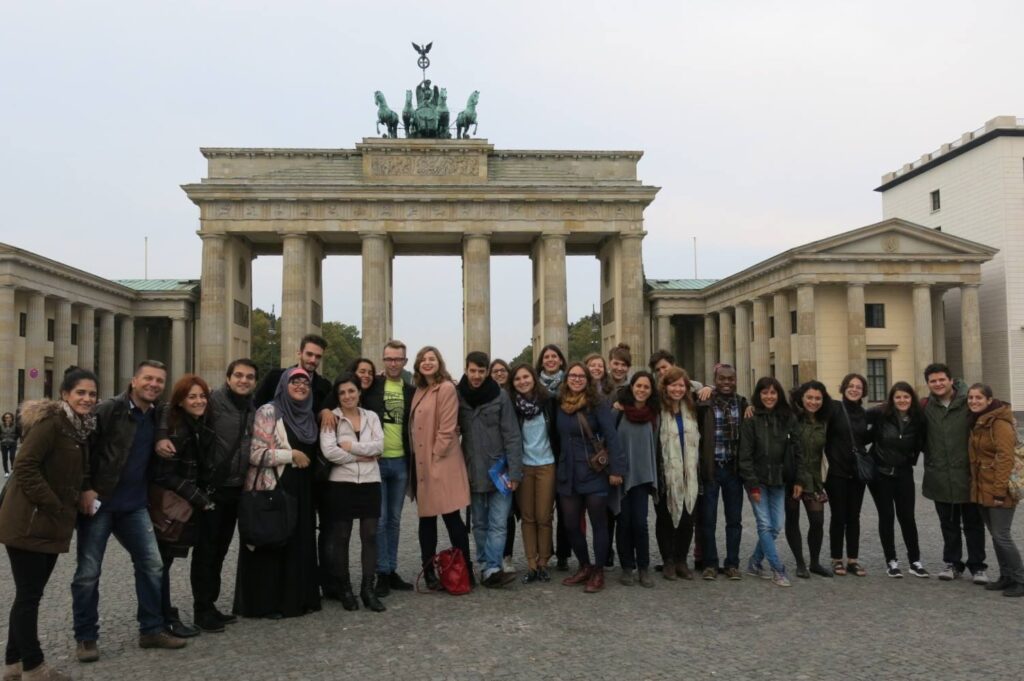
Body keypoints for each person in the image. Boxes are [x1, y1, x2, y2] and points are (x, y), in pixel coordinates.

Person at [72, 360, 186, 662]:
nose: (154, 384)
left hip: (135, 504)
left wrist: (163, 437)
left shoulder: (158, 413)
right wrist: (85, 487)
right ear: (133, 380)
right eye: (148, 378)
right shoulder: (109, 409)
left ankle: (151, 629)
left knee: (152, 565)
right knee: (88, 572)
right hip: (101, 503)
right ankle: (86, 637)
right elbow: (83, 446)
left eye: (160, 380)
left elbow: (169, 420)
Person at [0, 367, 97, 681]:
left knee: (30, 594)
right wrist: (55, 504)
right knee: (29, 596)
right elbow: (24, 466)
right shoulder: (51, 423)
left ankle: (13, 663)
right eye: (80, 392)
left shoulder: (78, 427)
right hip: (29, 521)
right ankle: (34, 666)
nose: (87, 398)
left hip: (47, 523)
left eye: (92, 394)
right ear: (65, 394)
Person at [234, 368, 321, 619]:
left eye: (305, 382)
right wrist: (290, 454)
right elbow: (254, 453)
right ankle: (266, 604)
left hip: (301, 489)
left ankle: (297, 600)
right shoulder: (269, 411)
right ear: (284, 384)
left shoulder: (309, 415)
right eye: (295, 380)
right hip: (274, 485)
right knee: (273, 543)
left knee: (296, 543)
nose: (301, 385)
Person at [188, 359, 256, 632]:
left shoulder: (252, 407)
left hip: (236, 489)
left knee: (221, 549)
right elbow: (180, 416)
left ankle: (210, 604)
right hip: (212, 489)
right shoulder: (212, 402)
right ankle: (201, 609)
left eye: (249, 377)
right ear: (228, 378)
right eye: (238, 375)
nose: (243, 380)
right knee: (206, 550)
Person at [151, 374, 219, 639]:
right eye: (192, 396)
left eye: (202, 396)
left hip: (182, 503)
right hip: (169, 507)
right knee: (160, 562)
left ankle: (161, 616)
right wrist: (201, 498)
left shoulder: (196, 423)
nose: (199, 400)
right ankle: (163, 618)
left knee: (162, 562)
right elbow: (165, 474)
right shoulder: (177, 429)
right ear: (180, 401)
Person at [555, 362, 625, 593]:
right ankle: (585, 565)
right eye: (572, 376)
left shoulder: (598, 404)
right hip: (568, 472)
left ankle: (599, 571)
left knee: (599, 524)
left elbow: (612, 437)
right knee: (571, 524)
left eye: (580, 376)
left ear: (587, 379)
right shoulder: (559, 404)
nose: (576, 379)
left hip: (593, 471)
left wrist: (616, 470)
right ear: (566, 379)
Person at [319, 373, 386, 612]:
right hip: (341, 483)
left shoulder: (372, 417)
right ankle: (345, 589)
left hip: (370, 482)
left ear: (359, 392)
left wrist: (351, 448)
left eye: (351, 391)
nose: (347, 396)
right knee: (341, 538)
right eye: (342, 392)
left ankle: (368, 589)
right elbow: (329, 452)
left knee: (369, 536)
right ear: (337, 397)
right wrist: (362, 455)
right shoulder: (332, 418)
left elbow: (380, 445)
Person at [408, 346, 473, 589]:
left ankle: (466, 570)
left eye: (431, 358)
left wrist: (434, 457)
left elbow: (447, 429)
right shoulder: (419, 390)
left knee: (451, 517)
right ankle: (429, 573)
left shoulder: (445, 388)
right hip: (423, 464)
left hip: (440, 462)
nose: (427, 362)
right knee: (426, 521)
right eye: (423, 359)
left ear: (439, 362)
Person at [458, 351, 523, 587]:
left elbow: (512, 435)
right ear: (466, 369)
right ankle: (486, 567)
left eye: (481, 371)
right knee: (479, 523)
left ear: (487, 372)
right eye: (472, 370)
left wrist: (515, 471)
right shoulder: (457, 395)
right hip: (472, 468)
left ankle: (493, 567)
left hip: (499, 470)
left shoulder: (501, 396)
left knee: (498, 521)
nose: (476, 376)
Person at [922, 363, 988, 583]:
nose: (938, 384)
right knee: (948, 524)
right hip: (939, 475)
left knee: (973, 524)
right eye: (933, 381)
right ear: (928, 384)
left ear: (951, 380)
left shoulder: (969, 403)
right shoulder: (926, 406)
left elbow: (993, 413)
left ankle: (978, 566)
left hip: (967, 475)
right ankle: (952, 563)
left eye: (942, 379)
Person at [739, 377, 801, 587]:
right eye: (764, 392)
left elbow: (797, 450)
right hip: (757, 480)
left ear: (779, 395)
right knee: (764, 524)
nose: (769, 396)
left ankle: (755, 562)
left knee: (776, 526)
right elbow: (745, 455)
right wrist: (752, 484)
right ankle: (778, 569)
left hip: (780, 479)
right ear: (758, 395)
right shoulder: (750, 418)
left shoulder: (788, 418)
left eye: (773, 392)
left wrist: (798, 479)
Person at [367, 341, 416, 597]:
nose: (394, 363)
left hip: (400, 461)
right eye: (389, 359)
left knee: (394, 521)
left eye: (398, 359)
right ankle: (381, 572)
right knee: (381, 519)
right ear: (383, 360)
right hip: (376, 461)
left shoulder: (411, 391)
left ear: (405, 362)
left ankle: (391, 568)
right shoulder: (371, 386)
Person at [966, 383, 1024, 597]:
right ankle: (1006, 576)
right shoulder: (979, 421)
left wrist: (1000, 491)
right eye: (971, 398)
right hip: (984, 486)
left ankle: (1020, 578)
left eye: (978, 398)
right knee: (996, 534)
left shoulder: (999, 423)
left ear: (989, 400)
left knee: (1002, 534)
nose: (974, 401)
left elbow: (1006, 457)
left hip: (999, 488)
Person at [866, 381, 929, 578]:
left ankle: (915, 561)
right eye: (898, 397)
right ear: (892, 399)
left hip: (903, 472)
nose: (902, 400)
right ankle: (891, 561)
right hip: (881, 473)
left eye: (906, 397)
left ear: (912, 399)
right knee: (887, 517)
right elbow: (856, 422)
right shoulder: (880, 415)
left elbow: (923, 442)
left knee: (907, 518)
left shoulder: (919, 419)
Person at [508, 363, 559, 584]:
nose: (522, 381)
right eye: (517, 379)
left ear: (533, 377)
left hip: (547, 464)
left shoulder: (549, 401)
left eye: (526, 377)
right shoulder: (512, 405)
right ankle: (531, 563)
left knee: (544, 517)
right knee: (527, 518)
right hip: (524, 466)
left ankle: (543, 562)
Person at [696, 364, 748, 581]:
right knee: (707, 520)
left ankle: (732, 563)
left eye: (731, 379)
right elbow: (679, 386)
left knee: (734, 521)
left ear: (736, 380)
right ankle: (710, 563)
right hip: (711, 468)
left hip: (733, 469)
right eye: (722, 379)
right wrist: (705, 388)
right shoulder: (704, 403)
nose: (726, 383)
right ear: (714, 380)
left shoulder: (743, 403)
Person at [650, 367, 699, 585]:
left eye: (681, 385)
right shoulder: (657, 408)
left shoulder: (694, 407)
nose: (677, 389)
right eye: (673, 385)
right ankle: (668, 560)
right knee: (665, 518)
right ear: (665, 386)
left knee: (688, 519)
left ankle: (681, 560)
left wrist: (705, 387)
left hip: (690, 473)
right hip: (665, 472)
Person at [824, 373, 870, 577]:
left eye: (858, 387)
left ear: (863, 391)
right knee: (838, 516)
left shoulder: (864, 413)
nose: (854, 389)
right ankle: (836, 559)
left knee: (854, 517)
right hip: (836, 472)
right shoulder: (834, 408)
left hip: (856, 473)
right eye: (850, 386)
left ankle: (852, 559)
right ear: (843, 388)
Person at [787, 381, 831, 578]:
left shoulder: (825, 421)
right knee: (793, 519)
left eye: (818, 398)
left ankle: (814, 562)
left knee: (817, 521)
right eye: (810, 398)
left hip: (814, 479)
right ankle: (800, 563)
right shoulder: (791, 418)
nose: (814, 402)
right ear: (801, 399)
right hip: (793, 477)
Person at [534, 343, 572, 570]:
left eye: (554, 356)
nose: (550, 360)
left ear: (560, 360)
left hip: (566, 452)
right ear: (542, 361)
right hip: (542, 454)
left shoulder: (571, 384)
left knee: (566, 507)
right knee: (543, 509)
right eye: (546, 357)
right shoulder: (533, 387)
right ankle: (543, 553)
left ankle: (564, 555)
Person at [488, 357, 518, 572]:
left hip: (513, 461)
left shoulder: (516, 397)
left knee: (509, 513)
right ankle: (492, 557)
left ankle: (506, 555)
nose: (499, 373)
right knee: (495, 514)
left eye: (502, 370)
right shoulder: (485, 396)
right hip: (493, 462)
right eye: (495, 371)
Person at [253, 334, 332, 411]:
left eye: (318, 357)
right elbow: (256, 407)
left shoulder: (325, 387)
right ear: (299, 353)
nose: (313, 360)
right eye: (309, 354)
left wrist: (326, 411)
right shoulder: (274, 378)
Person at [1, 412, 17, 477]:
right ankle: (6, 472)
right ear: (4, 418)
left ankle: (13, 467)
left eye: (9, 417)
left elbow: (18, 433)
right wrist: (2, 439)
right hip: (3, 443)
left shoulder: (15, 425)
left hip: (12, 443)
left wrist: (14, 438)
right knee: (4, 458)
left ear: (12, 418)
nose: (8, 418)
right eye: (6, 417)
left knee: (12, 456)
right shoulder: (1, 425)